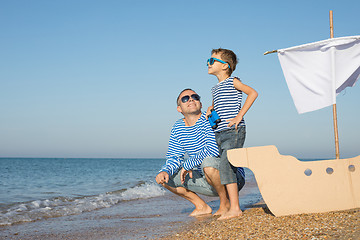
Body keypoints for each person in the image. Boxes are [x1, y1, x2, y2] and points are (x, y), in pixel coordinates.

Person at [155, 89, 232, 217]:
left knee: (208, 163)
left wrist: (188, 164)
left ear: (200, 104)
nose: (191, 99)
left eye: (195, 97)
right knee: (165, 178)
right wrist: (165, 171)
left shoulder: (209, 118)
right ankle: (201, 206)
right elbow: (174, 156)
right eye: (185, 99)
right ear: (179, 108)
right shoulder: (177, 128)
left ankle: (225, 203)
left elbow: (213, 150)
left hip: (229, 178)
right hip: (205, 178)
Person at [206, 48, 258, 220]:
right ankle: (230, 205)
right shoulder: (215, 88)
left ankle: (235, 208)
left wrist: (239, 115)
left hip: (234, 131)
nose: (208, 63)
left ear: (225, 66)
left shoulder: (233, 81)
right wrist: (210, 109)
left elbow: (253, 93)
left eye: (212, 60)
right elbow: (217, 105)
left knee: (226, 166)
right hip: (219, 133)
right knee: (226, 167)